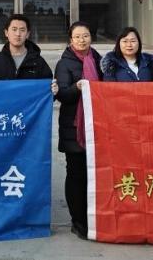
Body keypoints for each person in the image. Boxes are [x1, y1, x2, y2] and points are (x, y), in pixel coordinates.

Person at [54, 21, 103, 239]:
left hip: (97, 125)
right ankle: (78, 220)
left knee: (95, 174)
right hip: (74, 127)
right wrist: (77, 87)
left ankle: (94, 217)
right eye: (77, 37)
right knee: (76, 173)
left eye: (85, 36)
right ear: (70, 40)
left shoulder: (98, 60)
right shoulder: (64, 63)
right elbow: (62, 95)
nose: (82, 40)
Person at [0, 14, 54, 80]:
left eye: (22, 30)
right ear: (6, 33)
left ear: (27, 34)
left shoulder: (39, 62)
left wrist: (54, 86)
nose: (18, 34)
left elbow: (47, 84)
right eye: (14, 29)